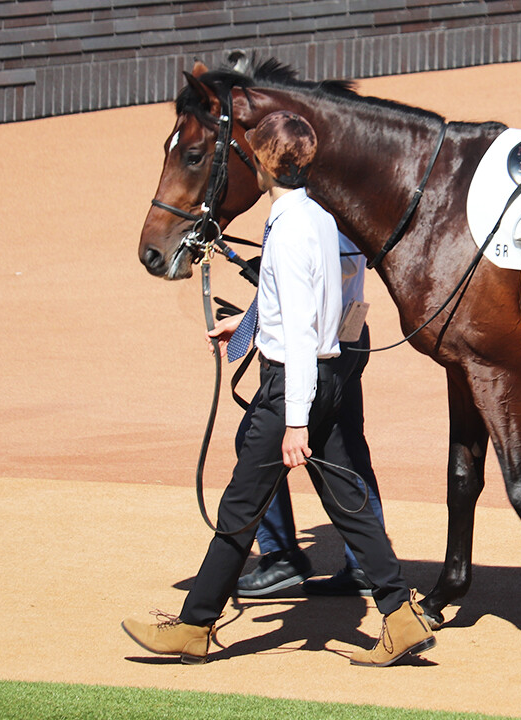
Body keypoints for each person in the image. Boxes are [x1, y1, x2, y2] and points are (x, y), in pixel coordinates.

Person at [123, 111, 435, 667]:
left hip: (294, 382)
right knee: (347, 501)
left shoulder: (288, 229)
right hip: (330, 374)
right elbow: (311, 301)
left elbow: (296, 330)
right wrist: (245, 326)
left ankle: (195, 626)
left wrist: (294, 422)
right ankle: (401, 616)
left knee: (239, 509)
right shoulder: (317, 216)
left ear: (262, 164)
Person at [234, 238, 384, 600]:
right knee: (349, 452)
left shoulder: (317, 205)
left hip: (323, 343)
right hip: (346, 330)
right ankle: (366, 564)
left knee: (254, 440)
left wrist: (283, 272)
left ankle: (283, 554)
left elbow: (338, 266)